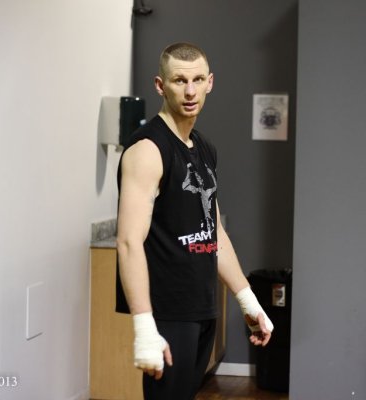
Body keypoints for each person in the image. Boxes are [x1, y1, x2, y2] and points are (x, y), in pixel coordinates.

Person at [115, 42, 274, 400]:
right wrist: (144, 325)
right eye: (179, 81)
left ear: (210, 82)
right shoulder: (148, 150)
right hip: (167, 310)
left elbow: (213, 232)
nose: (190, 91)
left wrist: (248, 301)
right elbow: (128, 242)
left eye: (197, 80)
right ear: (160, 85)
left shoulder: (203, 148)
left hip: (201, 305)